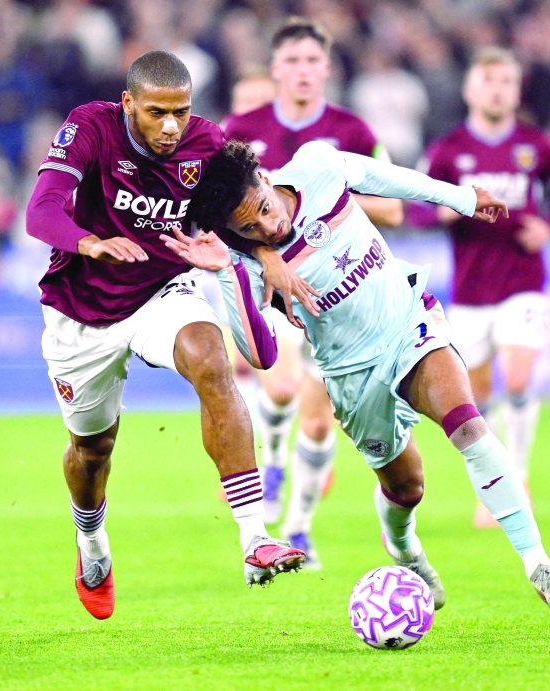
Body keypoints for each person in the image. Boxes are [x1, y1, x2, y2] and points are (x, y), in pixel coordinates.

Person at [164, 139, 550, 614]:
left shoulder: (317, 166)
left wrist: (462, 198)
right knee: (408, 487)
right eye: (250, 227)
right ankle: (404, 546)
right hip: (350, 373)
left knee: (468, 425)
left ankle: (539, 565)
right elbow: (260, 355)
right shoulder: (244, 261)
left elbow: (391, 179)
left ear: (264, 178)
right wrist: (228, 273)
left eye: (264, 209)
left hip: (408, 324)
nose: (269, 226)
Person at [24, 51, 316, 620]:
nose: (170, 127)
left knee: (210, 358)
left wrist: (264, 256)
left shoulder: (207, 145)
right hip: (80, 312)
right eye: (157, 112)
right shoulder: (90, 127)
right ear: (129, 103)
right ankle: (92, 544)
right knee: (92, 449)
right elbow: (41, 211)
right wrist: (89, 242)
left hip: (163, 289)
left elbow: (246, 211)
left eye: (180, 112)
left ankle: (254, 537)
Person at [221, 17, 403, 568]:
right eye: (292, 62)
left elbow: (393, 208)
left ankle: (299, 528)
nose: (302, 71)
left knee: (320, 419)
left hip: (336, 292)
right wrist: (266, 246)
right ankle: (273, 457)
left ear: (327, 68)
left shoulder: (350, 132)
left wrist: (317, 192)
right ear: (276, 69)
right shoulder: (240, 127)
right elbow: (220, 218)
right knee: (276, 390)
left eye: (312, 61)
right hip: (276, 291)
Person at [416, 47, 550, 528]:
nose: (497, 89)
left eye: (506, 81)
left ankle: (519, 476)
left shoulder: (537, 145)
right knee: (477, 396)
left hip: (523, 281)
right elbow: (419, 203)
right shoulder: (448, 150)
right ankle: (495, 484)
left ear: (516, 89)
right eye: (488, 80)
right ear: (470, 89)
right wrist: (445, 209)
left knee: (521, 378)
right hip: (470, 291)